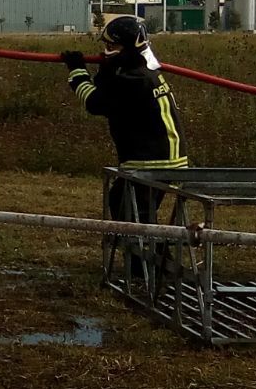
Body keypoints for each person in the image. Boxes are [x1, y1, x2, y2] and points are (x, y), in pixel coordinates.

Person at [62, 15, 186, 275]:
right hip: (165, 158)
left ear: (129, 47)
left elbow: (95, 103)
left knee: (130, 210)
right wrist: (106, 70)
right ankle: (150, 262)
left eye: (113, 47)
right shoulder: (143, 73)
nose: (107, 52)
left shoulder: (133, 80)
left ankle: (151, 266)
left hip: (152, 161)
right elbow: (110, 91)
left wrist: (76, 71)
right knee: (131, 208)